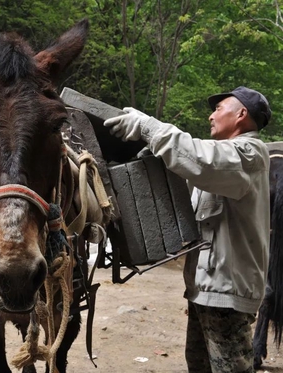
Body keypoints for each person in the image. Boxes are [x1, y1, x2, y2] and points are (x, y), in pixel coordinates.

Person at [104, 86, 271, 373]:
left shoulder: (249, 153)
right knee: (199, 365)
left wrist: (148, 126)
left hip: (228, 294)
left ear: (242, 114)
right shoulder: (223, 160)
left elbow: (201, 160)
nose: (211, 116)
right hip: (205, 292)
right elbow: (191, 171)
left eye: (219, 109)